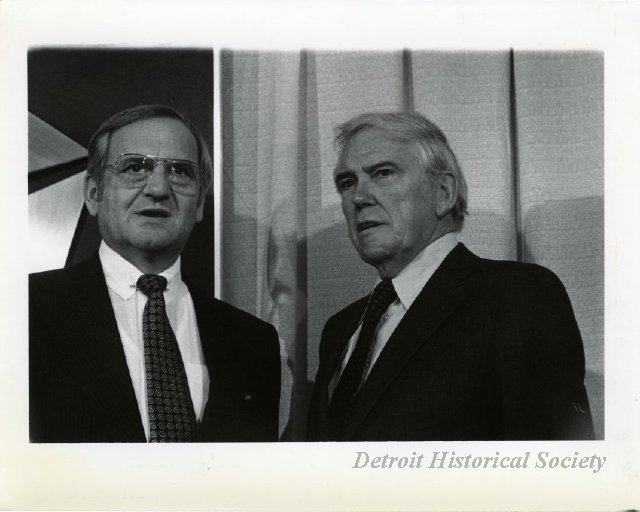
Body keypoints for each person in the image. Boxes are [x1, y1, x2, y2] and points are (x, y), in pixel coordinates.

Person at [307, 111, 594, 441]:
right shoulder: (340, 329)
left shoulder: (517, 296)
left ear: (443, 192)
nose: (358, 197)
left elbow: (554, 470)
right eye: (347, 183)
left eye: (382, 173)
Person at [30, 105, 280, 442]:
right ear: (93, 193)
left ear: (200, 204)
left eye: (180, 171)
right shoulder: (20, 311)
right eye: (135, 167)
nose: (159, 188)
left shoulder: (254, 342)